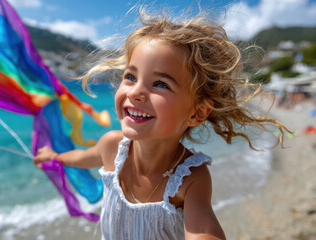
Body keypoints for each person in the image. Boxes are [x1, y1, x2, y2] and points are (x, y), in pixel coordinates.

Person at [33, 7, 290, 240]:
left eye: (160, 84)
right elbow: (84, 157)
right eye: (130, 77)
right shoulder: (112, 146)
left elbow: (203, 229)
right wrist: (56, 156)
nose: (136, 92)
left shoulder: (190, 178)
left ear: (197, 113)